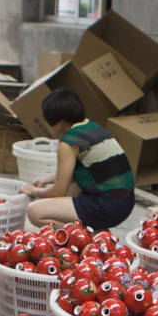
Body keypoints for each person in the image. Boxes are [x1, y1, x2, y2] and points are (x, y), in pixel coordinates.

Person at [22, 88, 136, 230]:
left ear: (59, 122)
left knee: (34, 211)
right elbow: (79, 170)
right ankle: (98, 230)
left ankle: (89, 237)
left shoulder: (68, 142)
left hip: (107, 206)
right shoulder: (90, 126)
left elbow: (59, 191)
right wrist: (47, 179)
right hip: (125, 202)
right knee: (68, 188)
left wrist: (34, 191)